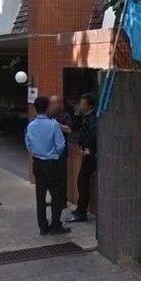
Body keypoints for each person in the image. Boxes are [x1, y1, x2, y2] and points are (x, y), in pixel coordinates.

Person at [25, 96, 70, 236]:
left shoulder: (31, 125)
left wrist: (37, 152)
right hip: (52, 163)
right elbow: (61, 145)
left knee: (40, 195)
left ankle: (43, 227)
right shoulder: (53, 125)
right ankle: (55, 225)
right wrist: (54, 154)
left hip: (38, 163)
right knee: (56, 195)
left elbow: (28, 144)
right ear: (47, 107)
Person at [67, 93, 97, 222]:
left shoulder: (92, 119)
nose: (80, 106)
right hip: (87, 152)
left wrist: (90, 150)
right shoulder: (86, 116)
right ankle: (80, 209)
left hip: (91, 155)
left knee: (83, 182)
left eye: (83, 104)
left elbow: (94, 136)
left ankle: (81, 211)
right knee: (81, 181)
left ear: (89, 105)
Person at [47, 95, 72, 225]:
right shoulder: (48, 116)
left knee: (61, 177)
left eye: (55, 103)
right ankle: (54, 199)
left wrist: (57, 125)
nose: (53, 106)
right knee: (52, 177)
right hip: (50, 152)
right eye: (51, 103)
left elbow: (69, 129)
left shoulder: (64, 116)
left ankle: (62, 201)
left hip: (61, 152)